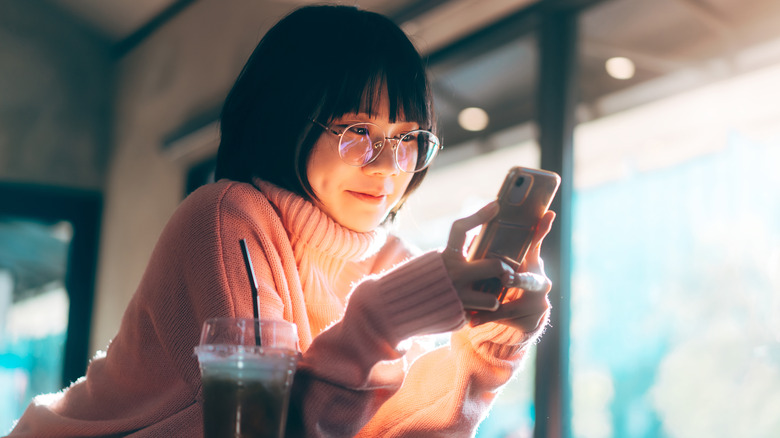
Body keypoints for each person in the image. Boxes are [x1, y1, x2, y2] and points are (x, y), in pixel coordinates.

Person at [8, 4, 556, 437]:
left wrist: (485, 352)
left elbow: (383, 432)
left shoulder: (394, 261)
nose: (390, 166)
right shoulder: (227, 216)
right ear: (286, 121)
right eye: (358, 132)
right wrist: (381, 320)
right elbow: (266, 428)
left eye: (408, 138)